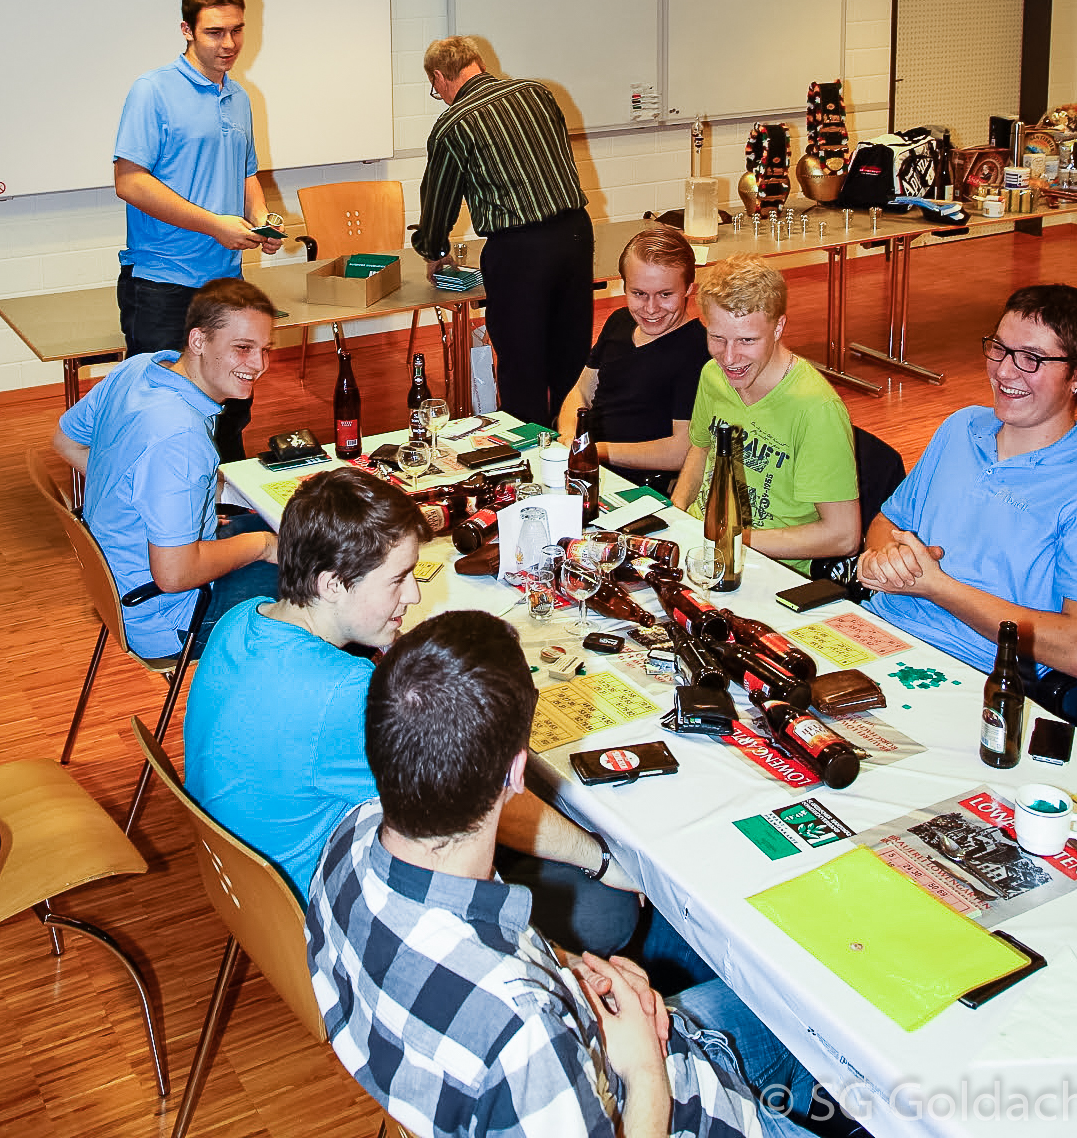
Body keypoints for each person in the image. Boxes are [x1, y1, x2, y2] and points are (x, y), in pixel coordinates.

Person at [306, 612, 824, 1138]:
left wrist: (567, 971)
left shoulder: (351, 837)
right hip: (678, 1104)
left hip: (575, 1043)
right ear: (516, 773)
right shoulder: (524, 1029)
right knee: (813, 1008)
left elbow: (479, 955)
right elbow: (532, 1032)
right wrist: (644, 1066)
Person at [184, 465, 667, 965]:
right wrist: (601, 858)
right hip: (328, 920)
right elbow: (481, 806)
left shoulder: (241, 618)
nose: (412, 595)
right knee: (610, 908)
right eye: (397, 579)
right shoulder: (345, 694)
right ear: (331, 584)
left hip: (246, 891)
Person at [860, 283, 1077, 732]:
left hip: (973, 676)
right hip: (876, 630)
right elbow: (888, 522)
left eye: (1031, 358)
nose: (1005, 371)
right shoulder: (961, 426)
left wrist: (937, 587)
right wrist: (888, 559)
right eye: (999, 349)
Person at [52, 278, 279, 660]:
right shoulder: (180, 437)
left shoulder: (140, 368)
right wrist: (263, 546)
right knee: (332, 589)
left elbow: (66, 441)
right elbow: (174, 575)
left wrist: (172, 514)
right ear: (198, 341)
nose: (258, 365)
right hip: (170, 617)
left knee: (284, 535)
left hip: (123, 585)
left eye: (264, 349)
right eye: (242, 348)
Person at [114, 0, 283, 461]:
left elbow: (246, 174)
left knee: (230, 414)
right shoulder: (152, 91)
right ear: (187, 30)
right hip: (163, 285)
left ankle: (223, 505)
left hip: (225, 283)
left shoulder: (240, 97)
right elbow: (130, 182)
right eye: (214, 32)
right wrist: (214, 224)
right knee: (165, 419)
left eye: (237, 30)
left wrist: (262, 218)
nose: (228, 44)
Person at [412, 36, 593, 427]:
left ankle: (527, 449)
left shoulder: (453, 124)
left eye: (436, 90)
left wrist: (434, 250)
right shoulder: (537, 93)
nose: (440, 97)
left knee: (522, 364)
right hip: (575, 234)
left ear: (440, 78)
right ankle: (574, 443)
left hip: (519, 250)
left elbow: (439, 199)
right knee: (572, 353)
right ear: (478, 63)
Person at [671, 256, 859, 574]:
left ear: (778, 328)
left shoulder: (816, 410)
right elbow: (700, 449)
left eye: (747, 340)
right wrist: (676, 514)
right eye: (717, 338)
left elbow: (843, 536)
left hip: (766, 567)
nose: (729, 358)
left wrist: (731, 539)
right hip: (700, 547)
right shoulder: (713, 375)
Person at [559, 225, 710, 498]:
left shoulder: (697, 349)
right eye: (639, 294)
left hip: (636, 481)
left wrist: (593, 450)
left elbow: (682, 451)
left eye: (665, 295)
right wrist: (570, 436)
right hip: (587, 464)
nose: (651, 308)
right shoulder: (619, 321)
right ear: (624, 286)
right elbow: (581, 391)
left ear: (688, 288)